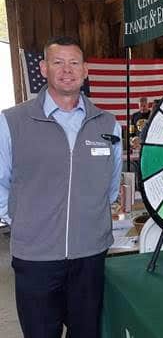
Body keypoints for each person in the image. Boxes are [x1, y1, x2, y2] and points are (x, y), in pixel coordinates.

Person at [0, 36, 122, 337]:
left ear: (85, 71)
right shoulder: (12, 122)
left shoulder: (108, 124)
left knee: (86, 332)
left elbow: (112, 186)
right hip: (35, 258)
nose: (66, 70)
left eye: (74, 63)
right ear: (43, 68)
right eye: (58, 62)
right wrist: (25, 223)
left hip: (89, 256)